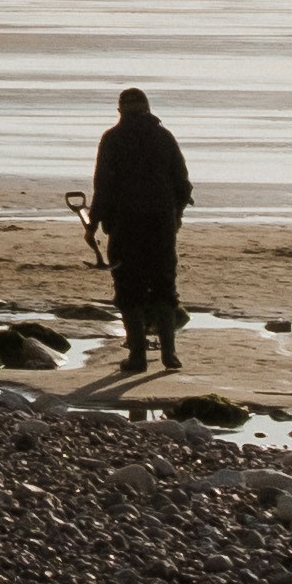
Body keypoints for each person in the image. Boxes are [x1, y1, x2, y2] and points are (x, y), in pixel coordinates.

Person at [84, 86, 193, 379]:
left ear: (120, 111)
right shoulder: (164, 137)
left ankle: (137, 356)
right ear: (147, 108)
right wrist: (176, 215)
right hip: (160, 224)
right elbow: (182, 183)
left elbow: (103, 187)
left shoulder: (112, 139)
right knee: (164, 284)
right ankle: (170, 354)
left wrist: (93, 223)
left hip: (126, 225)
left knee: (128, 286)